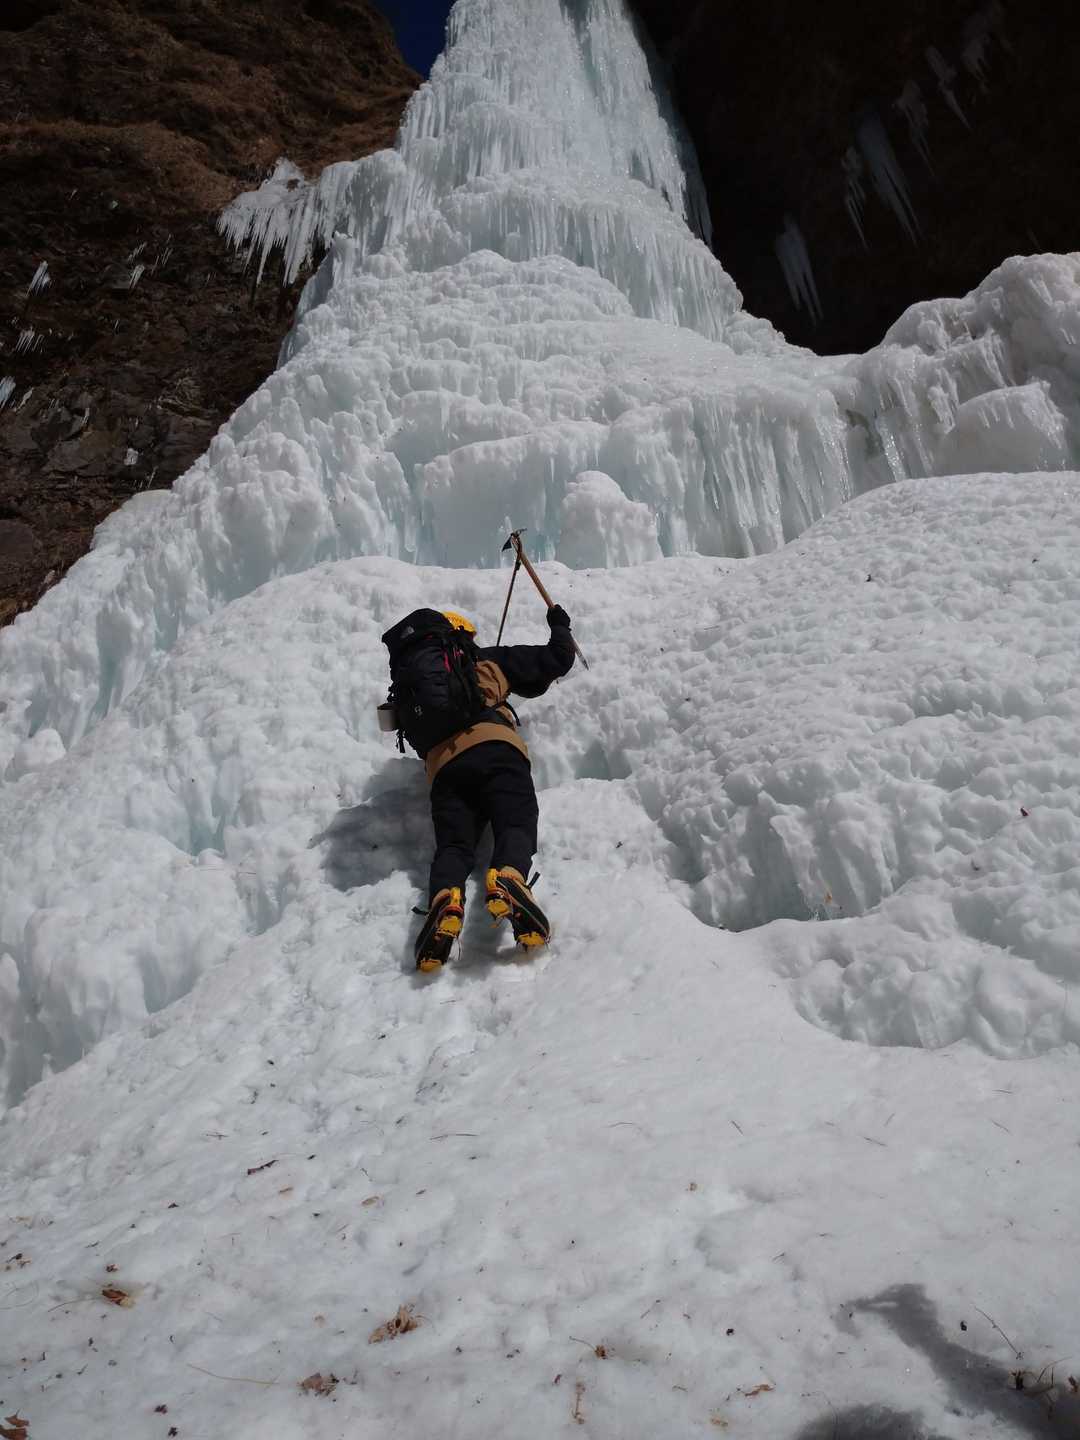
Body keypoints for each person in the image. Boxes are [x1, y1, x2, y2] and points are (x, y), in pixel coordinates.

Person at [381, 604, 575, 972]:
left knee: (454, 846)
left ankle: (446, 897)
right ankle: (508, 876)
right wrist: (560, 624)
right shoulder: (489, 660)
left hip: (445, 771)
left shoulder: (415, 688)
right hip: (496, 750)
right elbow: (557, 659)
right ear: (464, 638)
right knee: (515, 820)